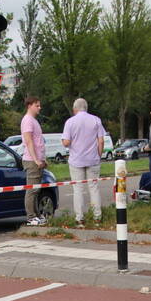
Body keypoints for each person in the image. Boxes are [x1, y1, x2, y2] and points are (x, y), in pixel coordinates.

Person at [62, 97, 106, 227]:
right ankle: (97, 217)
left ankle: (80, 218)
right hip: (93, 159)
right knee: (94, 188)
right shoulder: (96, 120)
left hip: (76, 160)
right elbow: (101, 140)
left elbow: (66, 142)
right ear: (86, 108)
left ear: (75, 109)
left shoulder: (70, 122)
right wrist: (98, 155)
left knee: (78, 189)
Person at [20, 96, 46, 226]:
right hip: (32, 160)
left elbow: (38, 141)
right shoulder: (28, 121)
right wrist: (36, 159)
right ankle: (31, 216)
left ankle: (36, 215)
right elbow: (29, 141)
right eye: (37, 105)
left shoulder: (34, 121)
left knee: (36, 189)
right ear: (29, 105)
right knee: (32, 189)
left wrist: (42, 159)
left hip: (38, 160)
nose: (39, 108)